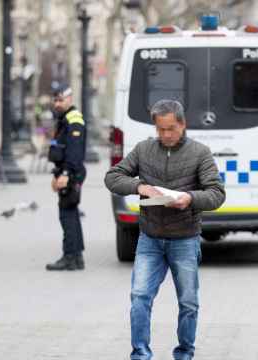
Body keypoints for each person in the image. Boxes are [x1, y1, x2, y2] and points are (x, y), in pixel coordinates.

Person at [104, 99, 225, 360]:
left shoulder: (200, 153)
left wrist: (190, 199)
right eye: (160, 129)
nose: (165, 135)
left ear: (182, 124)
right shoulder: (144, 149)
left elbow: (216, 194)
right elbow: (112, 177)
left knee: (188, 303)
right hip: (150, 239)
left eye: (170, 128)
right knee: (139, 297)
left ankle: (184, 353)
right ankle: (140, 355)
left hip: (184, 239)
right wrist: (138, 187)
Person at [45, 84, 87, 271]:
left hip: (70, 172)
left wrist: (66, 174)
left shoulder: (73, 119)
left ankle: (70, 256)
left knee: (67, 215)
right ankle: (76, 257)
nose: (57, 103)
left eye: (61, 99)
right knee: (71, 213)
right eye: (55, 100)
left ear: (70, 99)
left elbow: (75, 151)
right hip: (65, 171)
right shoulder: (63, 119)